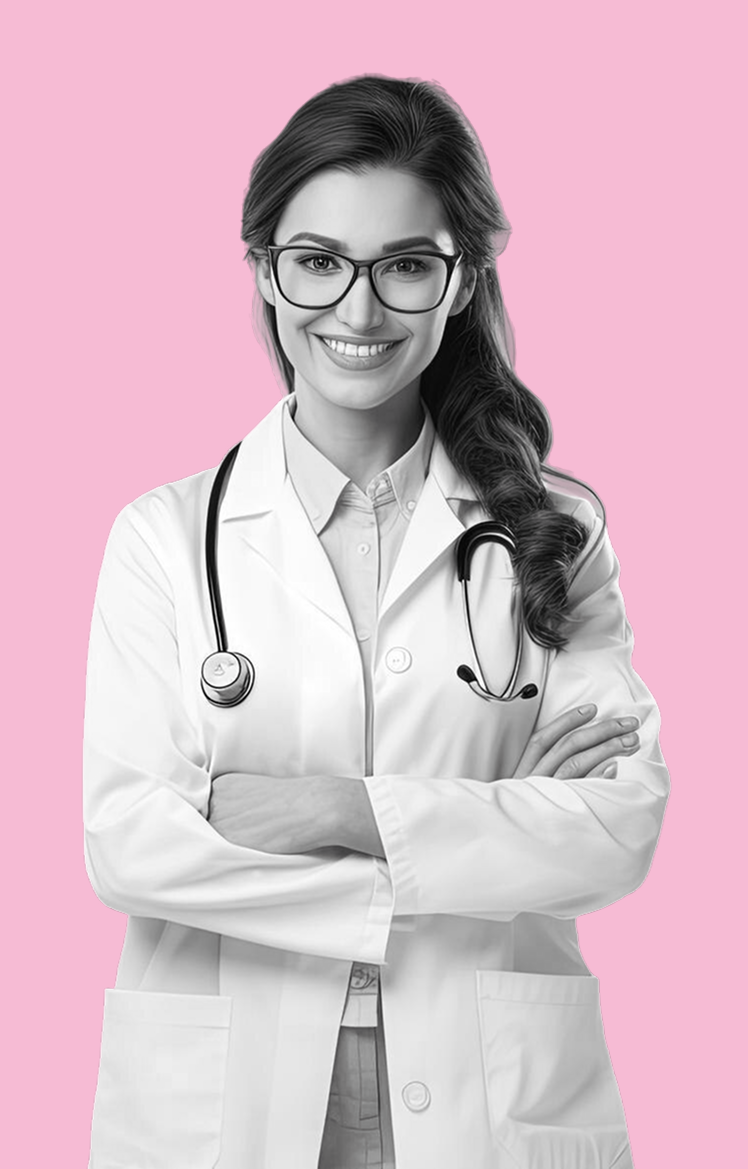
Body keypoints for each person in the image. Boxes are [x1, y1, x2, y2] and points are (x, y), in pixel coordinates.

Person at [83, 74, 669, 1169]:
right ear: (264, 267)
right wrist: (481, 823)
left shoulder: (554, 532)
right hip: (231, 1091)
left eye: (404, 265)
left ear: (459, 282)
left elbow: (616, 826)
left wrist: (335, 806)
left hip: (488, 1086)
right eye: (317, 262)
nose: (356, 312)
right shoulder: (163, 539)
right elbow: (130, 845)